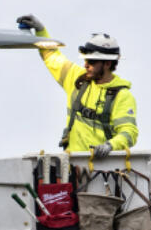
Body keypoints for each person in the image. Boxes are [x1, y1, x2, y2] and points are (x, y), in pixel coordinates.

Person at [16, 15, 138, 157]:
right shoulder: (77, 78)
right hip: (73, 163)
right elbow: (51, 56)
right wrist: (41, 31)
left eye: (91, 61)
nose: (86, 65)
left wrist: (110, 145)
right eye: (86, 60)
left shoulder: (122, 96)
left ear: (107, 63)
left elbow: (129, 132)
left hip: (102, 167)